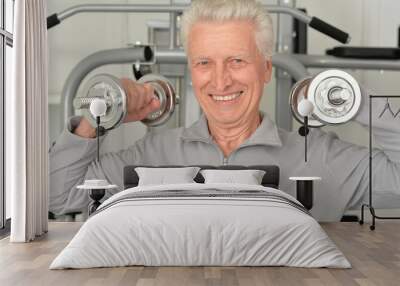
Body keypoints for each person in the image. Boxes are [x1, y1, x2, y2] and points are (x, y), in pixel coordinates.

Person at [49, 0, 400, 221]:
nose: (220, 80)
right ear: (191, 70)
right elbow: (57, 194)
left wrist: (351, 98)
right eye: (204, 62)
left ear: (265, 68)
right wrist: (101, 115)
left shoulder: (324, 158)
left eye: (237, 60)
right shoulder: (151, 153)